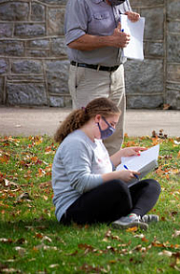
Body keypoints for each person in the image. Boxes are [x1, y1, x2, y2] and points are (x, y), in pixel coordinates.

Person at [51, 97, 161, 230]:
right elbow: (81, 183)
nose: (113, 128)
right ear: (98, 118)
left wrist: (123, 154)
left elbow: (99, 168)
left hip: (95, 198)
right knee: (117, 186)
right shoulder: (76, 143)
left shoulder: (96, 140)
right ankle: (126, 216)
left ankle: (131, 217)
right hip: (72, 210)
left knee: (151, 185)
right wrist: (117, 176)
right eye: (112, 123)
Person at [65, 0, 140, 156]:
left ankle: (111, 178)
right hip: (90, 74)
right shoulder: (80, 0)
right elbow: (73, 39)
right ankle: (84, 178)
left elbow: (119, 26)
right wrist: (110, 40)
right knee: (89, 130)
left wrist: (129, 21)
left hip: (116, 73)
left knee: (114, 130)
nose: (122, 1)